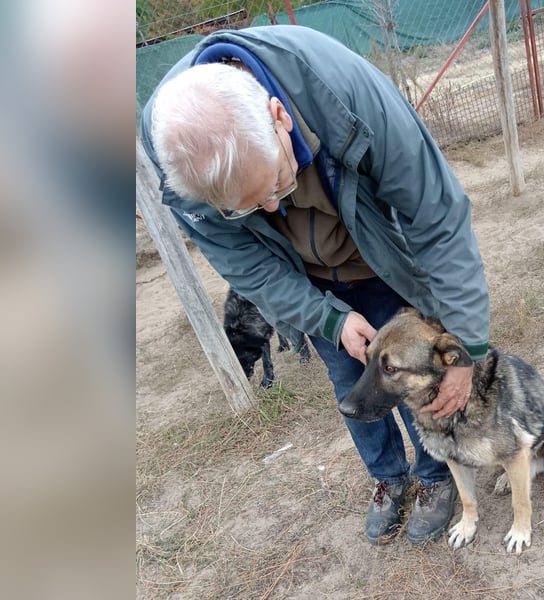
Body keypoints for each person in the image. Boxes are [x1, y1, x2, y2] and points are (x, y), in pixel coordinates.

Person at [140, 25, 490, 546]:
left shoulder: (343, 90)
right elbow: (249, 266)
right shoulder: (177, 158)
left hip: (379, 260)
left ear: (279, 118)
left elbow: (436, 215)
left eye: (277, 185)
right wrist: (327, 317)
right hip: (309, 283)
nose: (272, 210)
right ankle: (388, 481)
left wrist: (466, 353)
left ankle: (437, 478)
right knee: (348, 377)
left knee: (418, 371)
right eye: (246, 208)